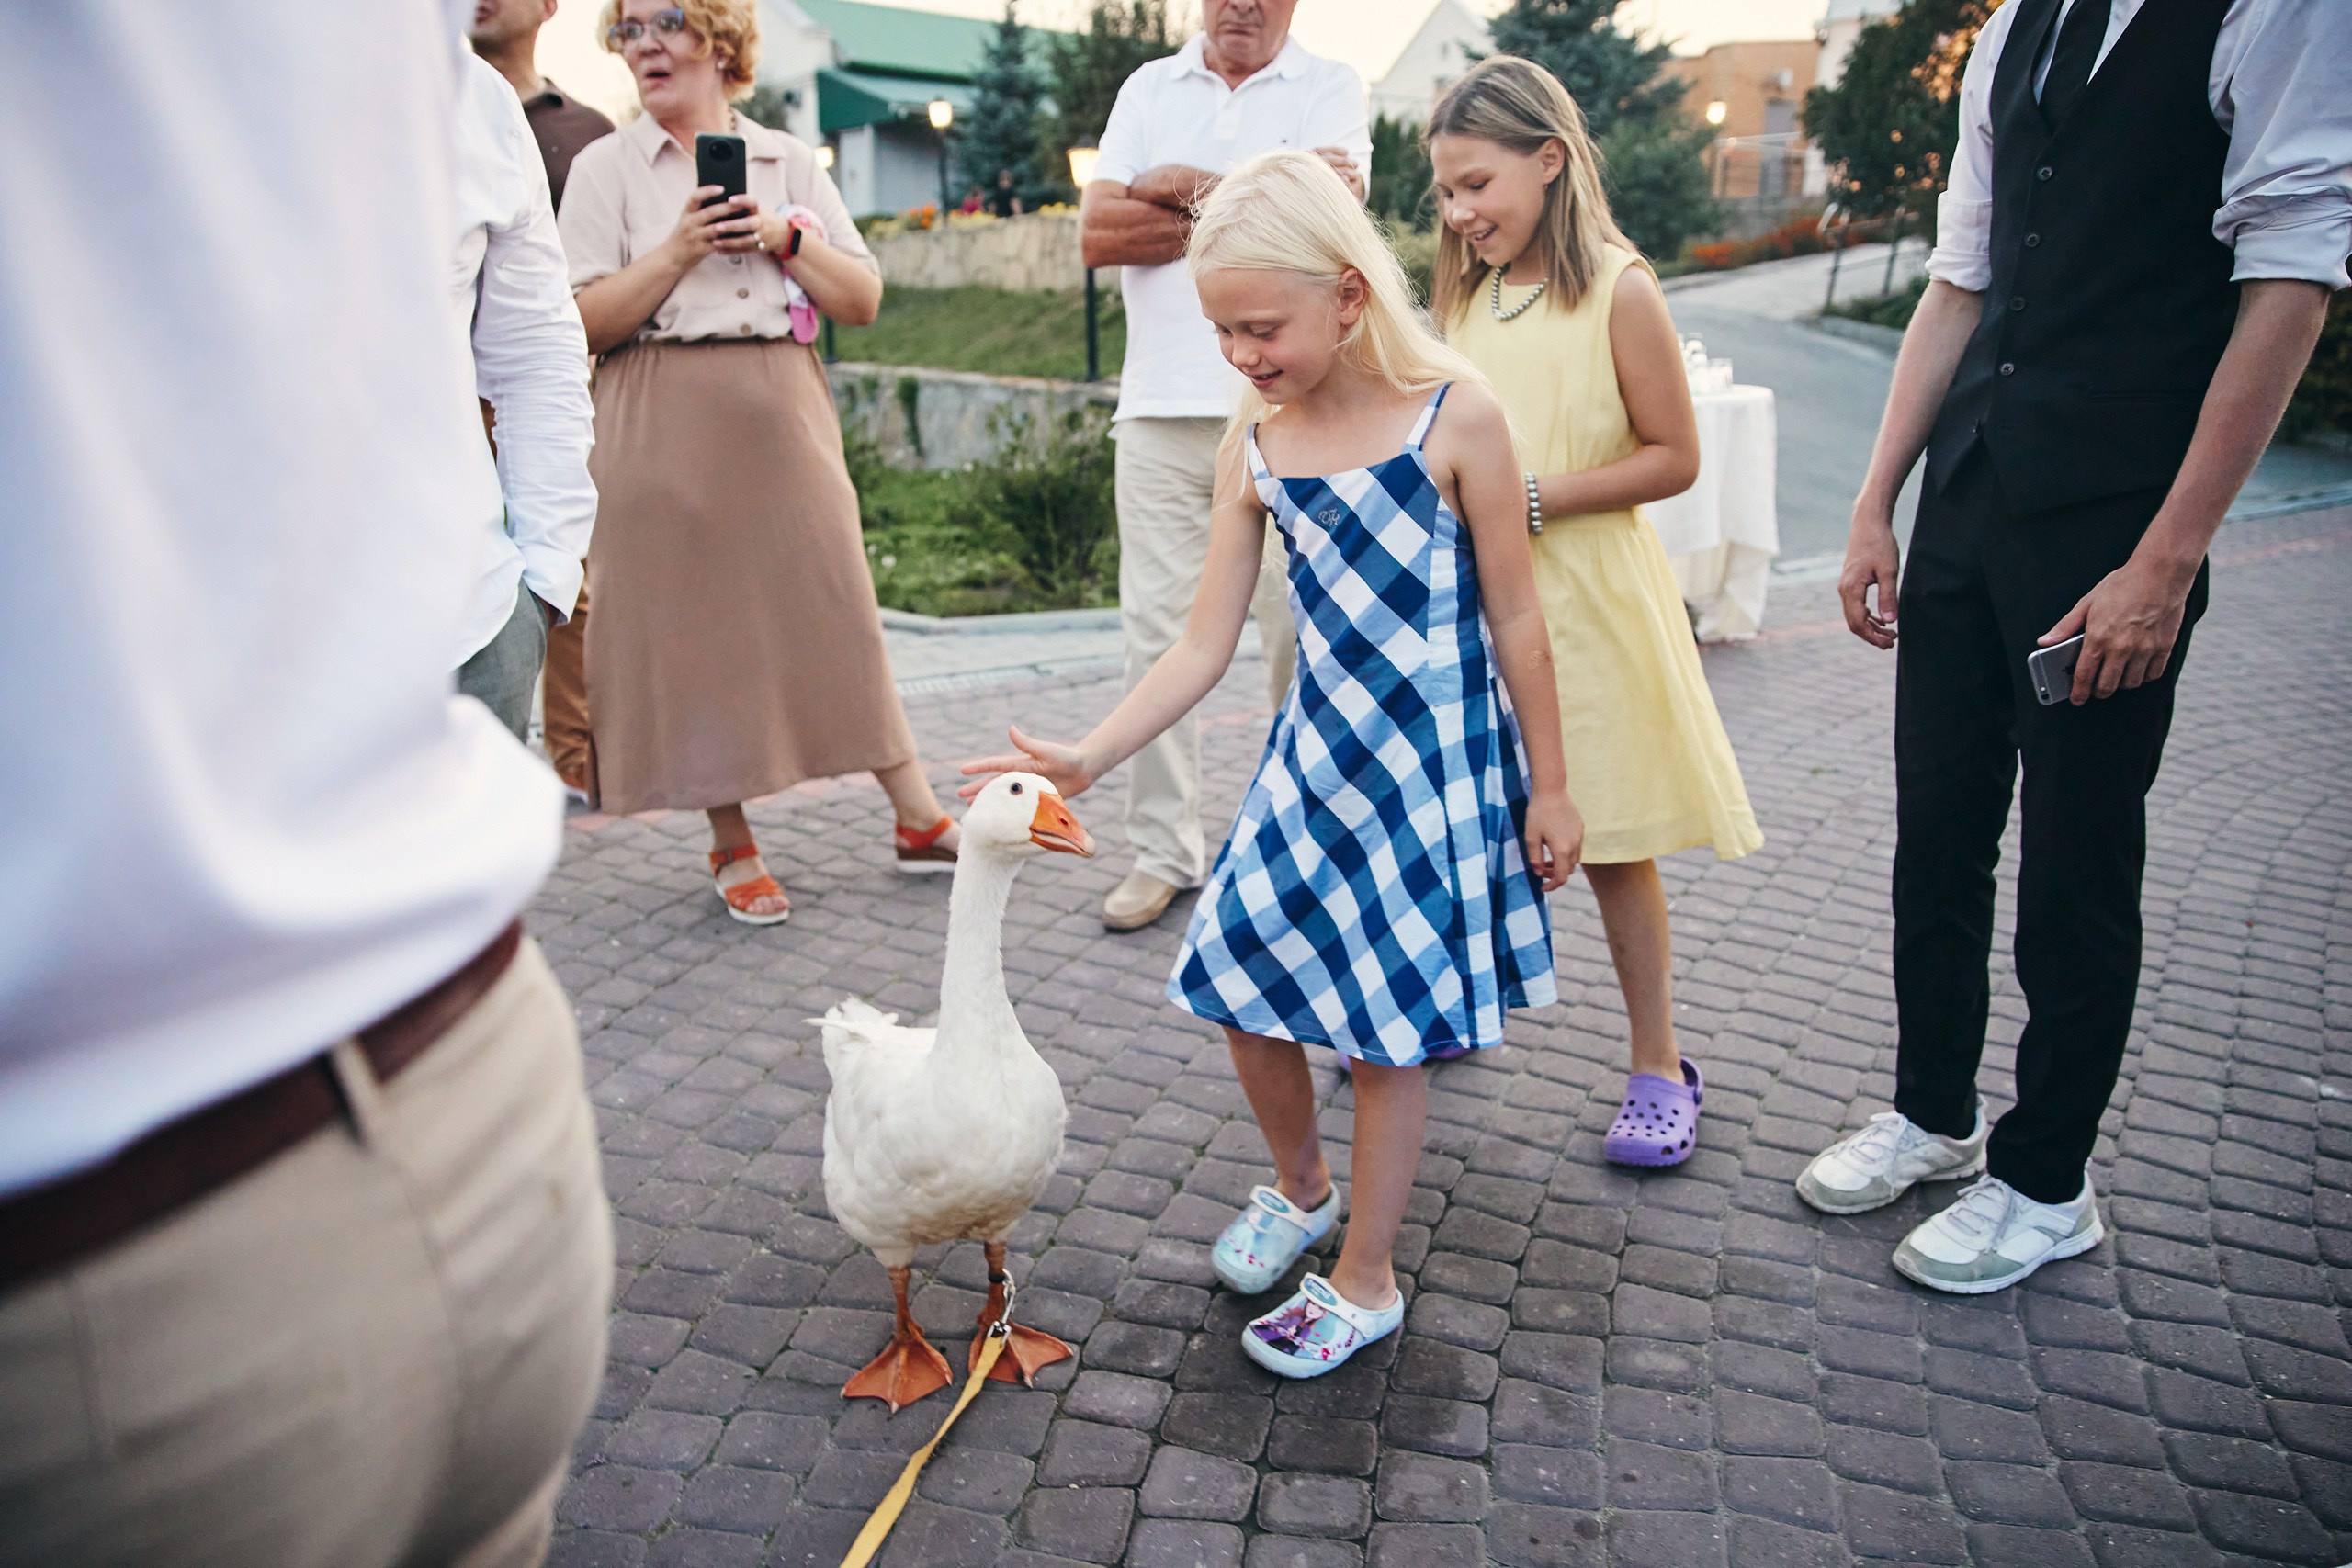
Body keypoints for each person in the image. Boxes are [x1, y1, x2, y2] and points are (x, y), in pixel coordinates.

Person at [0, 6, 612, 1564]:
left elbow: (533, 346)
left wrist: (538, 576)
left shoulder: (464, 94)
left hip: (152, 1270)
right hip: (429, 1122)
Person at [966, 151, 1579, 1376]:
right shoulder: (1255, 438)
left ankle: (1369, 1275)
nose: (1240, 353)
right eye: (1221, 330)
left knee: (1386, 1031)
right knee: (1239, 972)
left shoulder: (1455, 416)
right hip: (1318, 759)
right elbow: (1203, 642)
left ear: (1351, 298)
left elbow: (1518, 617)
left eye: (1261, 326)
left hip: (1433, 770)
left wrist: (1551, 783)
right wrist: (1091, 750)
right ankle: (1305, 1188)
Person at [1797, 0, 2346, 1293]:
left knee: (2077, 862)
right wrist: (1879, 502)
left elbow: (2291, 282)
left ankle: (2047, 1180)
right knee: (1937, 832)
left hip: (2117, 518)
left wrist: (2169, 559)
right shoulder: (2014, 30)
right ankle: (1933, 1113)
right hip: (1967, 494)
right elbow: (1960, 279)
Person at [562, 0, 963, 926]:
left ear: (717, 35)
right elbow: (581, 320)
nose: (646, 43)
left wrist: (785, 238)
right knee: (696, 637)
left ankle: (914, 817)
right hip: (658, 415)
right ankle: (732, 839)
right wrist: (678, 249)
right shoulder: (603, 169)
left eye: (666, 19)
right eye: (627, 28)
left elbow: (862, 295)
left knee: (838, 607)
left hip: (784, 406)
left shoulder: (787, 159)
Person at [1424, 57, 1760, 1160]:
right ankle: (1440, 1012)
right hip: (1481, 605)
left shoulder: (1617, 286)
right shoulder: (1463, 295)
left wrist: (1528, 498)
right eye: (1445, 194)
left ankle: (1660, 1064)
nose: (1460, 212)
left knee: (1608, 838)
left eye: (1477, 184)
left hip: (1588, 600)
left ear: (1549, 160)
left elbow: (1674, 456)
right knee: (1466, 822)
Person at [1079, 0, 1372, 933]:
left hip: (1292, 409)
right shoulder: (1147, 87)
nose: (1239, 2)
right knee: (1154, 637)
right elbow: (1098, 234)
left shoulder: (1330, 86)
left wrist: (1170, 186)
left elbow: (1327, 232)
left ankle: (1309, 846)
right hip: (1159, 412)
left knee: (1303, 635)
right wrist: (1259, 200)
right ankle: (1164, 851)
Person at [470, 0, 619, 795]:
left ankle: (573, 756)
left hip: (542, 384)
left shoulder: (584, 130)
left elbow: (545, 324)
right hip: (461, 397)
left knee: (572, 581)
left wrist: (539, 590)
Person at [451, 51, 598, 743]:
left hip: (464, 629)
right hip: (200, 646)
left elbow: (537, 344)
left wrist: (540, 585)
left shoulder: (476, 101)